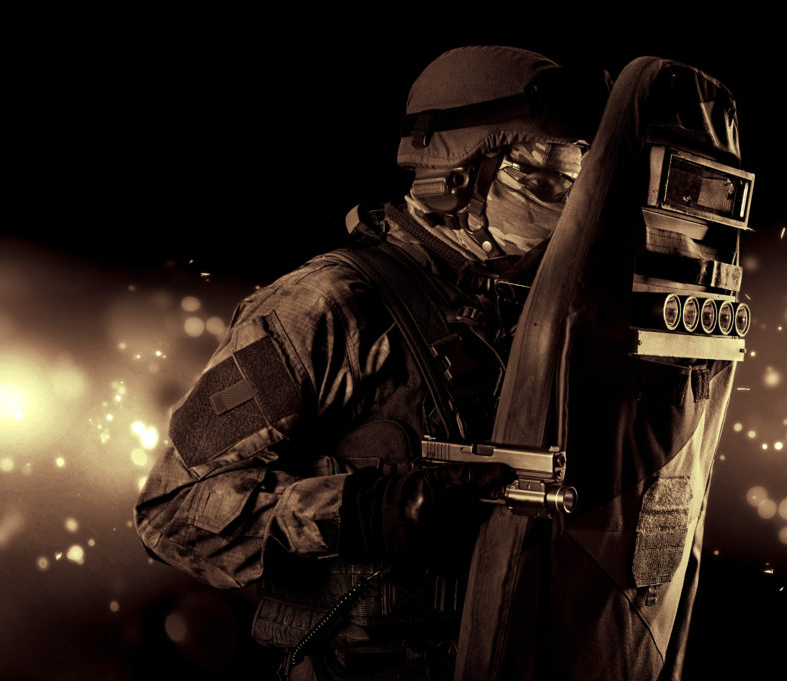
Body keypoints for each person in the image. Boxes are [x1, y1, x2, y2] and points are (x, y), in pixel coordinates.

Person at [134, 45, 610, 680]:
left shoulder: (540, 310)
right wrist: (362, 512)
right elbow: (171, 512)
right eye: (542, 174)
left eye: (576, 173)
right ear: (455, 175)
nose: (568, 199)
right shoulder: (325, 306)